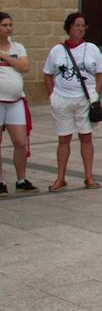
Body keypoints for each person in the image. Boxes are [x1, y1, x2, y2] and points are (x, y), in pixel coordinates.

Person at [42, 12, 102, 191]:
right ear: (69, 27)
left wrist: (96, 95)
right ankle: (60, 177)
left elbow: (101, 72)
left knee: (86, 137)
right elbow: (47, 74)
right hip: (62, 99)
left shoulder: (92, 48)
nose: (80, 29)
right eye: (76, 25)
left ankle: (89, 176)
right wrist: (52, 95)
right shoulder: (57, 50)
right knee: (64, 139)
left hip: (84, 99)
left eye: (82, 26)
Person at [0, 12, 36, 194]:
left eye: (10, 25)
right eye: (4, 25)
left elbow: (25, 67)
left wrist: (4, 56)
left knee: (20, 142)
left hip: (15, 101)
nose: (8, 28)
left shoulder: (18, 47)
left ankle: (21, 180)